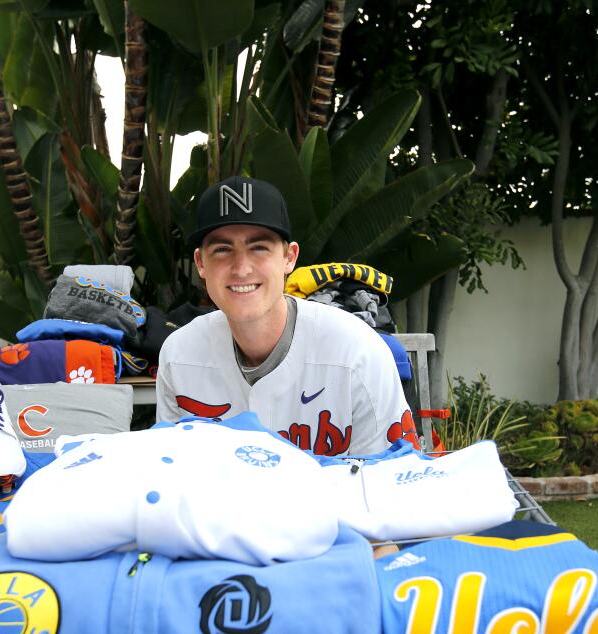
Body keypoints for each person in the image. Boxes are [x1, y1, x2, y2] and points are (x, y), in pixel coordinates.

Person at [156, 176, 419, 458]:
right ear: (200, 264)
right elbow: (172, 476)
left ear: (289, 258)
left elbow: (391, 482)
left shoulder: (357, 351)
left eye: (259, 247)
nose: (241, 268)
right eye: (222, 249)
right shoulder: (179, 354)